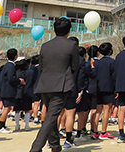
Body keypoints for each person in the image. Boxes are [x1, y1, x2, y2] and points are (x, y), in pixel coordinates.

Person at [29, 17, 79, 152]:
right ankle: (36, 147)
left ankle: (55, 146)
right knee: (51, 117)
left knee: (51, 116)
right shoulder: (72, 45)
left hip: (45, 84)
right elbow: (75, 67)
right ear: (69, 31)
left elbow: (41, 67)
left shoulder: (45, 45)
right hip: (61, 85)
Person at [94, 42, 115, 140]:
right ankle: (103, 132)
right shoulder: (112, 62)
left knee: (98, 110)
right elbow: (114, 76)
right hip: (108, 88)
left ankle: (95, 131)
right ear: (110, 51)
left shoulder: (97, 63)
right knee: (107, 109)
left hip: (97, 88)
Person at [0, 48, 20, 134]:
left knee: (7, 107)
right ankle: (0, 126)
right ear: (16, 56)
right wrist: (19, 80)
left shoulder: (6, 65)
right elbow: (11, 78)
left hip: (4, 89)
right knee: (7, 108)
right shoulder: (11, 66)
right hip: (8, 90)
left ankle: (2, 125)